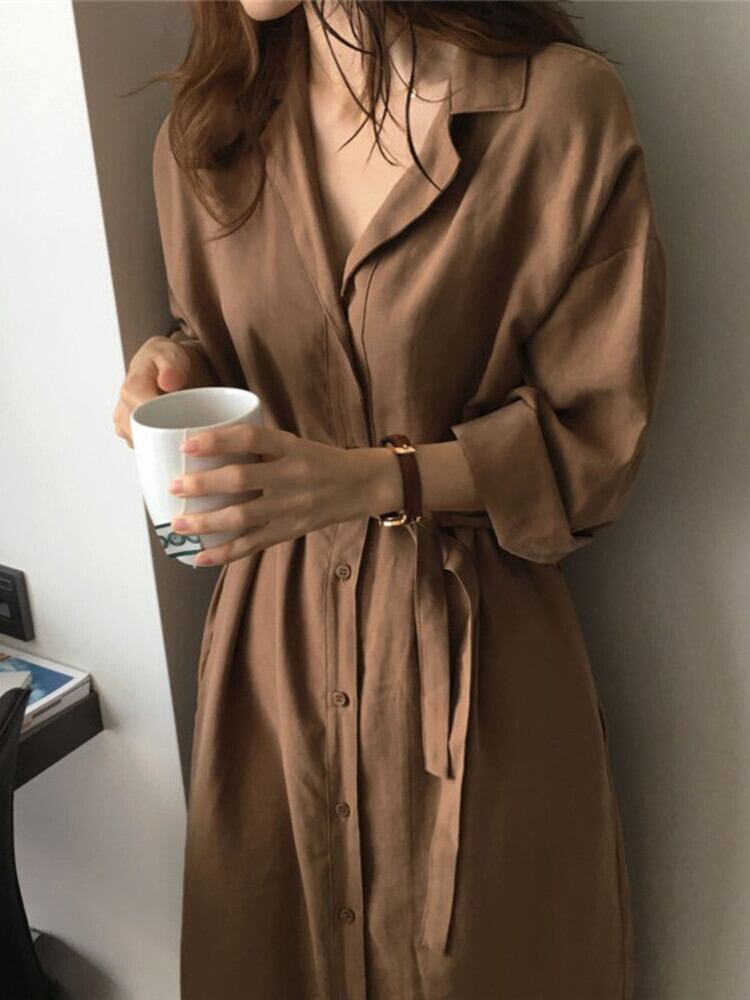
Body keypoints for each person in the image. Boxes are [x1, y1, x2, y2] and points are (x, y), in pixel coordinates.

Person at [113, 2, 668, 998]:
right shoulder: (204, 138)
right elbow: (223, 332)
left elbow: (592, 449)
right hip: (270, 676)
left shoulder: (556, 114)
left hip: (473, 671)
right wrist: (174, 364)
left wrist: (372, 478)